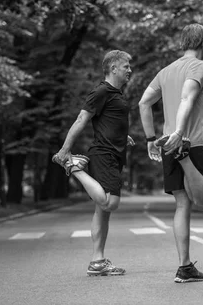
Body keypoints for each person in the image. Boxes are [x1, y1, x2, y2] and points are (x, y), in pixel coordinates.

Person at [138, 23, 203, 283]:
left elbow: (144, 102)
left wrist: (150, 139)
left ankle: (184, 267)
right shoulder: (200, 66)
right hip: (192, 143)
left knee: (182, 204)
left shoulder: (165, 71)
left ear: (183, 43)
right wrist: (181, 134)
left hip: (168, 143)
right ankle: (185, 156)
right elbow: (187, 98)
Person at [54, 50, 135, 277]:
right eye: (126, 66)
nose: (130, 70)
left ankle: (97, 261)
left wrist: (122, 136)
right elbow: (82, 119)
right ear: (113, 68)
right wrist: (64, 150)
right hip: (104, 154)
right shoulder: (101, 91)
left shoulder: (115, 93)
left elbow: (108, 121)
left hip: (115, 152)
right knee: (111, 203)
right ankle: (74, 168)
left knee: (102, 211)